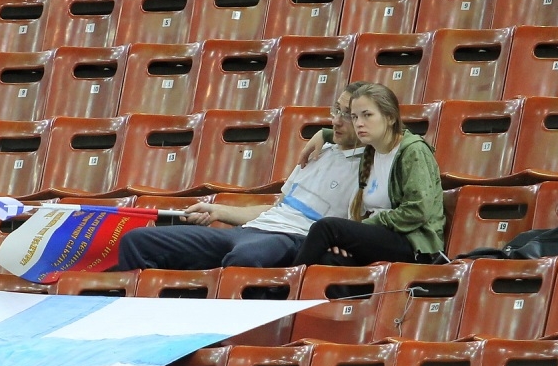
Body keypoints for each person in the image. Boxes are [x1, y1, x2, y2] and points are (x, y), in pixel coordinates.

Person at [116, 82, 369, 271]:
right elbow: (278, 208)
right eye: (336, 110)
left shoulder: (373, 165)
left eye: (347, 115)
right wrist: (218, 211)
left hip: (293, 238)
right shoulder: (318, 152)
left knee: (245, 258)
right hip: (249, 230)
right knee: (137, 241)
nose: (336, 121)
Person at [291, 82, 445, 268]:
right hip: (379, 238)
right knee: (330, 260)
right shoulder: (371, 149)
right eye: (354, 117)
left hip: (413, 244)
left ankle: (289, 284)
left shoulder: (413, 151)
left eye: (367, 115)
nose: (359, 123)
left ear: (390, 117)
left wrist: (366, 227)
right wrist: (324, 134)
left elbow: (418, 211)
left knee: (326, 228)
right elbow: (345, 136)